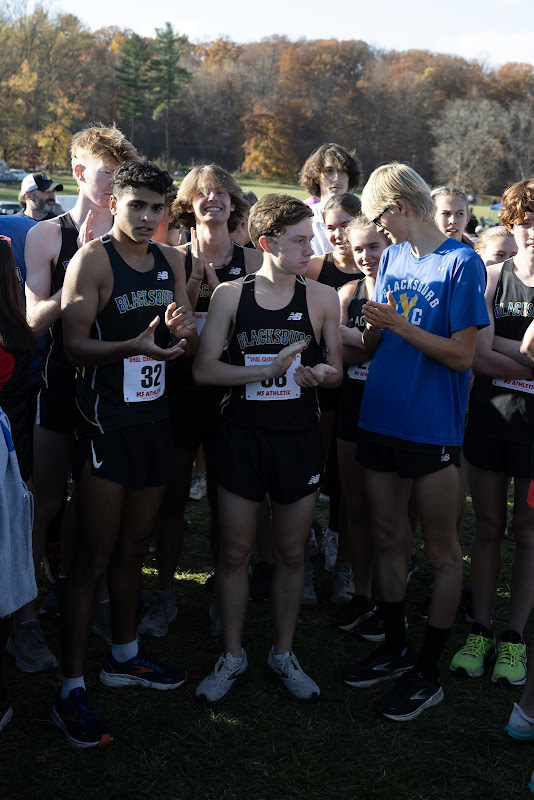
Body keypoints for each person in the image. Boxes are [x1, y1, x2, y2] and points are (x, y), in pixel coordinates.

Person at [52, 160, 197, 748]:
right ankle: (70, 687)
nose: (146, 217)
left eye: (156, 208)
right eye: (136, 205)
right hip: (105, 424)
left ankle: (124, 654)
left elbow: (181, 331)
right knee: (92, 556)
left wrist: (181, 336)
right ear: (114, 203)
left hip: (155, 421)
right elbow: (72, 345)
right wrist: (131, 346)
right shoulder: (91, 261)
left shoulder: (172, 261)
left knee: (135, 546)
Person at [339, 162, 489, 722]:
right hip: (381, 414)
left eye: (380, 217)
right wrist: (372, 326)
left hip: (431, 426)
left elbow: (462, 356)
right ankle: (396, 645)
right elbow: (376, 344)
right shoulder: (393, 257)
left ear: (399, 206)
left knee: (442, 550)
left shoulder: (462, 262)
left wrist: (400, 325)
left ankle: (427, 672)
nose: (377, 230)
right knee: (386, 535)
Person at [193, 193, 342, 703]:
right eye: (299, 241)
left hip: (297, 440)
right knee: (236, 551)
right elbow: (204, 369)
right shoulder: (230, 296)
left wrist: (319, 375)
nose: (310, 250)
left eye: (310, 239)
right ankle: (232, 655)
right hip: (242, 437)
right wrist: (267, 371)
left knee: (291, 552)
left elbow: (336, 370)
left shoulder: (322, 298)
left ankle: (283, 652)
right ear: (267, 243)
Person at [17, 125, 139, 668]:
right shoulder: (47, 236)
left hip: (116, 390)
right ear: (79, 171)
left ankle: (95, 598)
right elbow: (31, 324)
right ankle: (25, 617)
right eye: (104, 170)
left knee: (101, 507)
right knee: (44, 501)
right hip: (62, 386)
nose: (113, 181)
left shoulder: (135, 233)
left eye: (119, 172)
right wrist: (76, 272)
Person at [136, 164, 261, 639]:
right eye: (202, 193)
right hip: (181, 392)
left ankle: (220, 593)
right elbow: (165, 332)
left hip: (233, 394)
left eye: (221, 192)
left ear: (233, 202)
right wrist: (190, 295)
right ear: (188, 204)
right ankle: (166, 594)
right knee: (171, 497)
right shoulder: (173, 259)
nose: (213, 199)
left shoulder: (253, 262)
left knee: (227, 500)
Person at [451, 179, 534, 686]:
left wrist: (502, 346)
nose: (532, 231)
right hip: (488, 419)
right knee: (486, 528)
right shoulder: (494, 276)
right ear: (511, 224)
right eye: (525, 222)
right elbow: (478, 359)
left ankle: (514, 637)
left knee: (528, 534)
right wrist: (523, 354)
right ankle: (479, 629)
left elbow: (490, 348)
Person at [330, 217, 390, 634]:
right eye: (358, 249)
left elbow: (398, 352)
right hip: (352, 404)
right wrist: (367, 346)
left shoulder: (404, 293)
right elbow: (337, 354)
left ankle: (390, 600)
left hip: (392, 409)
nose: (366, 256)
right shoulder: (347, 293)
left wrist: (357, 343)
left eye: (374, 247)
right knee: (355, 506)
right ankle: (362, 594)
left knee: (389, 514)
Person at [299, 143, 361, 256]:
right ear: (316, 177)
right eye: (329, 171)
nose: (337, 178)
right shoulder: (305, 220)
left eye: (342, 171)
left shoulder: (366, 216)